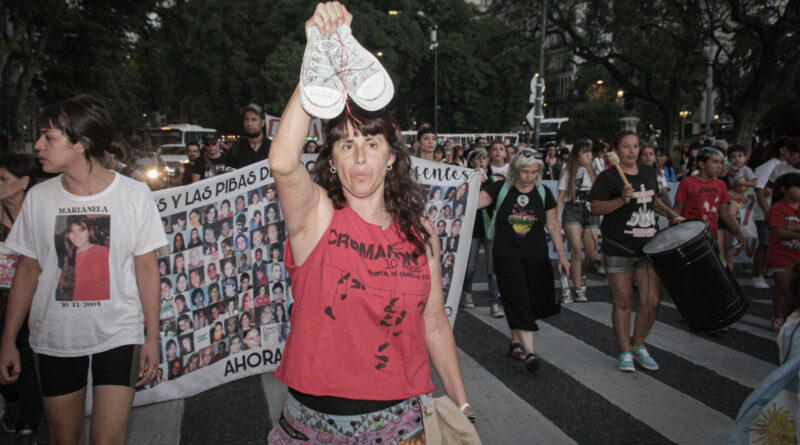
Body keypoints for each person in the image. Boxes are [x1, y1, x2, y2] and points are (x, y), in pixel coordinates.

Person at [267, 4, 472, 442]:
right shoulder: (316, 218)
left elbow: (434, 324)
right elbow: (283, 163)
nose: (359, 157)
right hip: (312, 428)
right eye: (345, 145)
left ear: (392, 155)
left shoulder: (421, 232)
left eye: (371, 143)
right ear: (332, 158)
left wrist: (464, 406)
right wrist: (316, 58)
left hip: (401, 427)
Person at [0, 95, 165, 444]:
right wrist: (8, 341)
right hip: (55, 337)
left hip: (120, 333)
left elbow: (147, 269)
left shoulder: (134, 195)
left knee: (106, 440)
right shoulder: (39, 199)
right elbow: (27, 272)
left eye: (49, 137)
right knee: (66, 439)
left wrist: (152, 336)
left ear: (80, 143)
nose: (38, 145)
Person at [587, 130, 681, 373]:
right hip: (618, 246)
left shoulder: (648, 172)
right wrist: (621, 200)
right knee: (624, 301)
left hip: (649, 247)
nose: (632, 151)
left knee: (652, 301)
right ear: (616, 151)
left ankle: (638, 345)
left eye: (635, 146)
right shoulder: (608, 177)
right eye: (626, 147)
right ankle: (624, 351)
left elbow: (654, 201)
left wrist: (671, 214)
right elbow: (595, 208)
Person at [477, 149, 570, 373]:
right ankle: (530, 353)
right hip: (506, 253)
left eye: (534, 172)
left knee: (534, 300)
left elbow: (553, 225)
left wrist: (563, 256)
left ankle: (514, 342)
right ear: (515, 171)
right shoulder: (500, 189)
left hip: (536, 253)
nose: (530, 177)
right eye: (525, 172)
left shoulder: (543, 192)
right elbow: (474, 203)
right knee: (516, 297)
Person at [0, 154, 43, 440]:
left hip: (33, 298)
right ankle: (13, 398)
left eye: (3, 179)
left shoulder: (39, 213)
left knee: (27, 356)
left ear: (24, 181)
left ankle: (28, 416)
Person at [460, 148, 504, 317]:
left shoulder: (494, 181)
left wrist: (486, 183)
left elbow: (495, 202)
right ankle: (467, 292)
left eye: (485, 158)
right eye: (478, 158)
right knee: (470, 266)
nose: (482, 161)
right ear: (471, 163)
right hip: (472, 229)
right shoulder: (467, 181)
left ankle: (494, 303)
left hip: (490, 229)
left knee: (491, 267)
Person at [673, 148, 746, 249]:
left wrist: (738, 233)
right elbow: (676, 210)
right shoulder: (687, 183)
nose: (720, 166)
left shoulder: (721, 184)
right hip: (688, 235)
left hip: (710, 234)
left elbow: (724, 213)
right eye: (715, 162)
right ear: (702, 164)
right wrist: (672, 236)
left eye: (722, 163)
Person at [556, 139, 599, 302]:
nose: (589, 155)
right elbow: (561, 197)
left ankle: (576, 273)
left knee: (592, 254)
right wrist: (557, 219)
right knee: (575, 249)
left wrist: (590, 168)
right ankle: (578, 288)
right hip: (572, 209)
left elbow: (599, 189)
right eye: (585, 152)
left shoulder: (594, 170)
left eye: (590, 152)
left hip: (589, 210)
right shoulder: (568, 172)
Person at [765, 173, 800, 331]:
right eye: (797, 187)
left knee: (795, 291)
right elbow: (779, 232)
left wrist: (792, 227)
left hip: (797, 254)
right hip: (781, 254)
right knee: (784, 287)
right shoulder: (777, 208)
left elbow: (786, 228)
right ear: (784, 189)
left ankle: (791, 317)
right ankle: (778, 316)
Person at [719, 145, 756, 269]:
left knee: (731, 213)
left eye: (740, 156)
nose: (737, 160)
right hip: (725, 201)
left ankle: (735, 235)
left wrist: (744, 183)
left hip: (738, 196)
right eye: (733, 157)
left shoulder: (746, 170)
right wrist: (729, 169)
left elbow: (755, 182)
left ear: (745, 158)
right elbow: (721, 176)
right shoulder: (727, 168)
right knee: (721, 252)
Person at [228, 103, 271, 169]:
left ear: (263, 122)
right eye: (246, 119)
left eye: (253, 119)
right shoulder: (235, 150)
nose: (249, 124)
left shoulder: (273, 148)